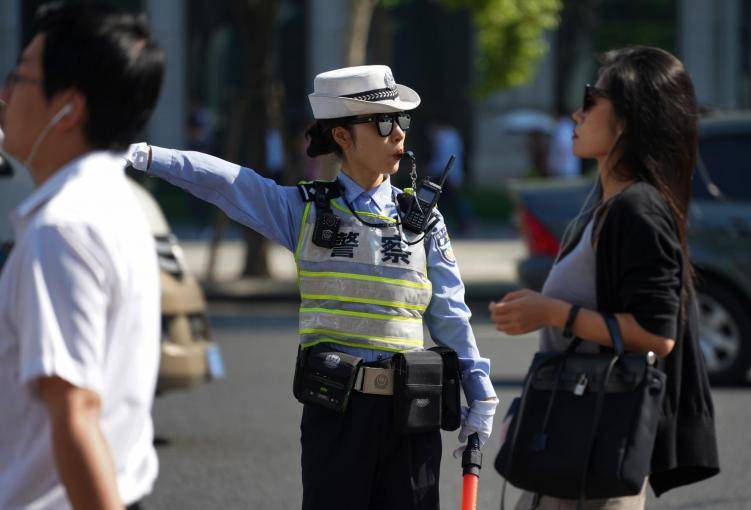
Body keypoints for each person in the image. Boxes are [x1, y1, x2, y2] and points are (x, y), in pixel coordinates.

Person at [127, 64, 498, 509]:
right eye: (384, 122)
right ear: (342, 137)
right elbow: (225, 181)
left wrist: (480, 394)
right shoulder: (303, 211)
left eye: (402, 121)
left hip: (412, 417)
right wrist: (146, 155)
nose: (398, 133)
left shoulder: (423, 219)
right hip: (336, 414)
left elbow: (451, 315)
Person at [490, 46, 720, 509]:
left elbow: (657, 336)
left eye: (591, 100)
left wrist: (551, 311)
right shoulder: (606, 202)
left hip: (597, 450)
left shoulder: (638, 209)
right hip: (572, 437)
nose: (577, 112)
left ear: (630, 119)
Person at [0, 2, 164, 509]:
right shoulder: (116, 201)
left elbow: (76, 414)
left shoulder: (61, 230)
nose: (4, 94)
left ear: (68, 108)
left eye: (19, 77)